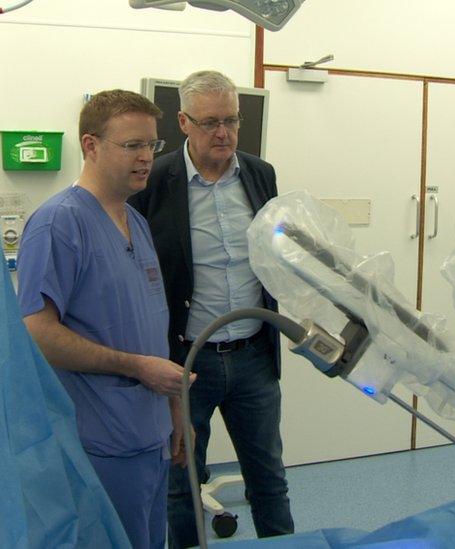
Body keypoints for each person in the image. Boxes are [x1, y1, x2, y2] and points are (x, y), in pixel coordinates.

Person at [17, 89, 194, 549]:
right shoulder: (59, 223)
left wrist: (175, 408)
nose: (145, 158)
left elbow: (149, 326)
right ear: (91, 145)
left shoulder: (135, 221)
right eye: (131, 145)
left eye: (151, 146)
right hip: (100, 441)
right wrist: (136, 368)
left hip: (150, 434)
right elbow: (37, 334)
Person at [128, 70, 293, 548]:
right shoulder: (155, 181)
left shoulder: (261, 174)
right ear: (183, 122)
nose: (223, 133)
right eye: (209, 123)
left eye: (232, 120)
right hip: (186, 361)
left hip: (253, 358)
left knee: (269, 480)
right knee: (182, 486)